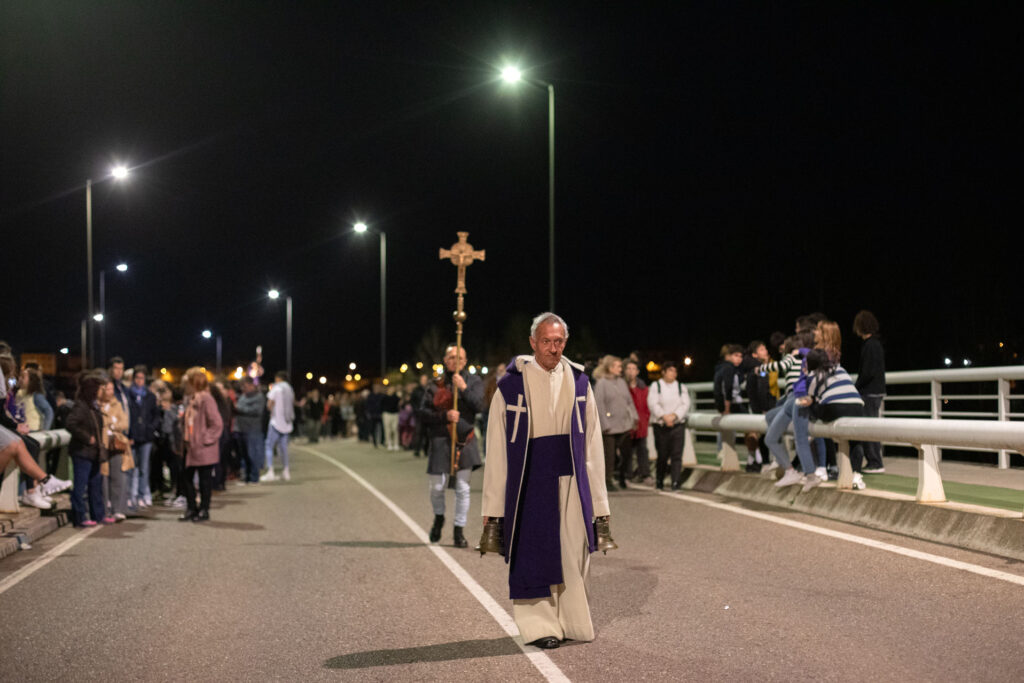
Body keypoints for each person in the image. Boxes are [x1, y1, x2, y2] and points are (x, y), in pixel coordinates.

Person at [481, 312, 613, 650]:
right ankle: (540, 626)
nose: (552, 348)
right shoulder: (509, 388)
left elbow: (593, 444)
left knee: (573, 551)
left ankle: (572, 621)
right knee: (533, 553)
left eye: (558, 342)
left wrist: (600, 503)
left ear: (564, 343)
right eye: (546, 341)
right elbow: (497, 450)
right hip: (528, 481)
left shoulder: (581, 383)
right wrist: (494, 508)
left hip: (571, 478)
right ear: (532, 343)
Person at [419, 344, 484, 548]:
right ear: (445, 360)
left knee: (462, 488)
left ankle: (459, 531)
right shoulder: (435, 384)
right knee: (437, 487)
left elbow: (480, 405)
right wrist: (444, 416)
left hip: (464, 438)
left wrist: (463, 388)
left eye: (460, 358)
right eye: (451, 357)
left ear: (465, 361)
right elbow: (423, 414)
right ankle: (439, 518)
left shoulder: (473, 381)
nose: (455, 361)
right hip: (440, 438)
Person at [798, 349, 867, 490]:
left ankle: (811, 430)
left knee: (810, 404)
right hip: (858, 406)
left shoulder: (812, 375)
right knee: (856, 441)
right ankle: (857, 476)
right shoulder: (839, 368)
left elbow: (809, 398)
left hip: (835, 407)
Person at [181, 367, 223, 521]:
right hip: (191, 446)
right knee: (186, 478)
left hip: (203, 448)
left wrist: (205, 439)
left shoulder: (206, 399)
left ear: (194, 383)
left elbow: (217, 423)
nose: (185, 386)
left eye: (187, 383)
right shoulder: (192, 399)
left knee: (205, 481)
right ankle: (192, 508)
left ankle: (204, 510)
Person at [65, 374, 107, 526]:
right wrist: (87, 437)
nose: (102, 392)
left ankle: (98, 515)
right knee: (80, 486)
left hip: (93, 453)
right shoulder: (81, 406)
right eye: (100, 389)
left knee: (96, 486)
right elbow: (70, 423)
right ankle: (80, 517)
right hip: (82, 452)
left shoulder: (92, 406)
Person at [593, 355, 638, 491]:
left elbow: (629, 401)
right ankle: (607, 481)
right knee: (610, 456)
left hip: (624, 425)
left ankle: (623, 477)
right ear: (610, 368)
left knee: (626, 454)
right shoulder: (601, 383)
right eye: (618, 366)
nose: (621, 369)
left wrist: (635, 418)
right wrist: (604, 424)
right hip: (610, 427)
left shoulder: (622, 382)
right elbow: (599, 405)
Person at [646, 361, 692, 490]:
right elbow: (653, 403)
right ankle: (659, 480)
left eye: (675, 371)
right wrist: (664, 416)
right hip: (660, 425)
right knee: (662, 454)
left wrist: (674, 416)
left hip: (677, 424)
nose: (673, 374)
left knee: (677, 454)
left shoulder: (680, 387)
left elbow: (685, 404)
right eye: (670, 371)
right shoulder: (656, 386)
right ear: (664, 372)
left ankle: (675, 482)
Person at [853, 310, 886, 473]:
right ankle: (874, 460)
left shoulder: (870, 345)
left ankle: (875, 462)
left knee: (868, 428)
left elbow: (867, 372)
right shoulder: (875, 344)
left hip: (869, 392)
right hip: (875, 391)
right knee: (870, 426)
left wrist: (855, 387)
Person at [127, 365, 160, 508]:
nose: (140, 381)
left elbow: (156, 415)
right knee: (130, 467)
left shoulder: (150, 396)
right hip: (132, 437)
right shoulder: (128, 394)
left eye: (142, 378)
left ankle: (142, 495)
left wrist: (150, 429)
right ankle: (130, 495)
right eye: (137, 378)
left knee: (144, 468)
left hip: (146, 437)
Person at [99, 377, 130, 522]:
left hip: (116, 444)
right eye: (107, 389)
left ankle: (118, 509)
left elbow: (124, 423)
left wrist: (112, 425)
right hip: (102, 444)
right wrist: (112, 422)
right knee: (103, 476)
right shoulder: (97, 404)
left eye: (111, 389)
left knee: (118, 476)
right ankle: (105, 509)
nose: (110, 392)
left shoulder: (117, 404)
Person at [261, 371, 295, 482]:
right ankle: (286, 471)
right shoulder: (290, 389)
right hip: (287, 422)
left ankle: (270, 471)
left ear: (278, 378)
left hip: (276, 422)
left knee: (269, 446)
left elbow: (269, 404)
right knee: (283, 448)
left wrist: (271, 410)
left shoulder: (276, 388)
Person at [623, 359, 652, 485]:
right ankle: (626, 476)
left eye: (633, 369)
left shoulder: (643, 387)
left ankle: (645, 474)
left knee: (642, 450)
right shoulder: (621, 386)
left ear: (638, 372)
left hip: (641, 423)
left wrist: (646, 420)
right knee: (626, 451)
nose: (631, 372)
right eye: (628, 369)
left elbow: (647, 406)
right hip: (626, 424)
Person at [234, 376, 266, 483]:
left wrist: (239, 409)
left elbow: (257, 411)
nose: (244, 389)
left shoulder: (259, 396)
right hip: (242, 429)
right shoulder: (243, 396)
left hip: (253, 430)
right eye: (242, 387)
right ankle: (246, 477)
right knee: (244, 455)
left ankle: (254, 477)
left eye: (246, 386)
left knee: (252, 455)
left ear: (252, 385)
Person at [380, 386, 400, 451]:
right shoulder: (384, 397)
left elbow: (399, 403)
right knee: (388, 430)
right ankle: (389, 444)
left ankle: (396, 444)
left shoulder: (396, 397)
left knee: (395, 429)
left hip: (395, 414)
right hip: (387, 414)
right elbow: (381, 405)